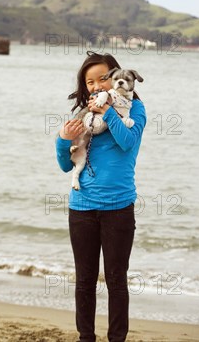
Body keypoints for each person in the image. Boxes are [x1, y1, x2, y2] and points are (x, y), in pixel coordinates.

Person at [55, 51, 146, 342]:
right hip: (81, 207)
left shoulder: (135, 110)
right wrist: (62, 140)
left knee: (117, 280)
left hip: (118, 208)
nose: (96, 86)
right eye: (90, 82)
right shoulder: (84, 114)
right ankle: (86, 338)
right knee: (84, 280)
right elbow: (66, 164)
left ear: (117, 77)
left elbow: (127, 142)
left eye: (102, 78)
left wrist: (108, 111)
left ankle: (117, 338)